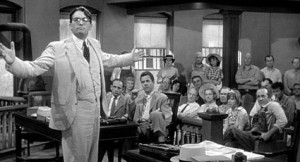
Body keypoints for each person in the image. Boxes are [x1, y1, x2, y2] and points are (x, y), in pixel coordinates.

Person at [0, 6, 144, 162]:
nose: (80, 23)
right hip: (74, 111)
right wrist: (14, 62)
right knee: (76, 157)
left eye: (84, 20)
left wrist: (130, 57)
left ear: (90, 25)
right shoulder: (57, 47)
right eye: (76, 20)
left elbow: (110, 59)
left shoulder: (94, 44)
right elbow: (34, 68)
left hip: (95, 111)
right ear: (70, 25)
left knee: (91, 156)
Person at [132, 71, 172, 143]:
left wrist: (152, 122)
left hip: (154, 127)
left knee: (156, 114)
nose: (145, 84)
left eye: (147, 81)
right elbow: (135, 119)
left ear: (153, 82)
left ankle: (161, 142)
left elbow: (168, 118)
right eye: (143, 82)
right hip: (141, 127)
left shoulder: (162, 98)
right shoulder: (139, 99)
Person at [99, 79, 131, 162]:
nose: (116, 89)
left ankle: (99, 159)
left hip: (117, 128)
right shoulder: (106, 97)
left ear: (122, 89)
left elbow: (128, 114)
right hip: (104, 126)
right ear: (111, 87)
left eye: (119, 88)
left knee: (105, 141)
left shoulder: (125, 99)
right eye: (115, 87)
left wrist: (124, 117)